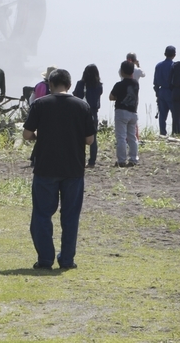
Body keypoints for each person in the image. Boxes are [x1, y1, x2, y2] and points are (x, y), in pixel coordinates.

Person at [22, 68, 95, 270]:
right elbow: (89, 139)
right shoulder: (82, 106)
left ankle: (45, 259)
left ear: (50, 85)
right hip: (73, 168)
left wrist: (39, 136)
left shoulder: (40, 104)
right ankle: (67, 260)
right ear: (69, 85)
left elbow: (26, 134)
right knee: (70, 216)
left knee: (42, 215)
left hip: (46, 167)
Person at [109, 60, 140, 167]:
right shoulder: (135, 84)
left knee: (121, 137)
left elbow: (111, 97)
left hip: (121, 112)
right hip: (133, 112)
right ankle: (133, 159)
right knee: (132, 137)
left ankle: (121, 160)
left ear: (122, 71)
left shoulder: (119, 85)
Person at [72, 64, 103, 168]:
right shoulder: (99, 86)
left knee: (79, 137)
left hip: (80, 113)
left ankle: (80, 159)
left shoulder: (80, 84)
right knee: (93, 138)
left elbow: (75, 95)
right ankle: (92, 161)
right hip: (93, 113)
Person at [153, 46, 176, 137]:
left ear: (165, 54)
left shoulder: (158, 66)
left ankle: (162, 133)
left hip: (161, 91)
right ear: (174, 55)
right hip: (171, 92)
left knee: (162, 115)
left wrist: (157, 94)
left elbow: (155, 82)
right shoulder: (174, 66)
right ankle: (175, 133)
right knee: (175, 114)